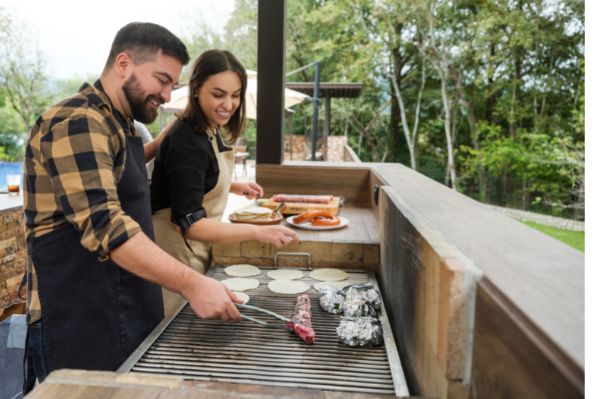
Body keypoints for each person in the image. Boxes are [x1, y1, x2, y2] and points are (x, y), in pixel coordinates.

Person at [22, 23, 242, 390]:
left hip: (117, 304)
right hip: (76, 315)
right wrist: (192, 284)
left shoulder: (117, 122)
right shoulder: (77, 121)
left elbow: (123, 163)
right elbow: (106, 226)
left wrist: (161, 141)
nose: (168, 94)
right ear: (123, 63)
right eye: (162, 79)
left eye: (173, 84)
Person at [150, 50, 299, 315]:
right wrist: (257, 231)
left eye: (235, 95)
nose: (229, 104)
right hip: (174, 252)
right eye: (218, 94)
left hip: (192, 251)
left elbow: (195, 177)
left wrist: (231, 186)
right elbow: (191, 225)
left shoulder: (210, 127)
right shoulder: (187, 141)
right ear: (196, 89)